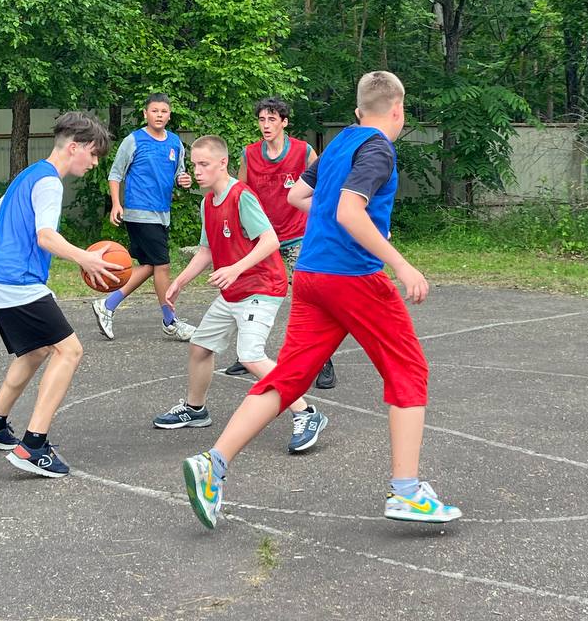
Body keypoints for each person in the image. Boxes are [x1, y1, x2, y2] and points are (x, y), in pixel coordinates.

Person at [182, 72, 462, 529]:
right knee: (408, 371)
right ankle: (407, 492)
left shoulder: (339, 143)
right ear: (398, 110)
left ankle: (212, 464)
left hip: (311, 275)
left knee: (289, 376)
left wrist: (338, 220)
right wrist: (401, 264)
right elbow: (350, 211)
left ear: (358, 111)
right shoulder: (378, 148)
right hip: (352, 277)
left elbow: (297, 196)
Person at [0, 112, 122, 478]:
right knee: (70, 351)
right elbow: (46, 236)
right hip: (16, 280)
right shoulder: (50, 183)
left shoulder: (29, 173)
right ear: (75, 147)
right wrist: (86, 258)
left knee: (36, 350)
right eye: (94, 154)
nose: (94, 163)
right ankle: (34, 446)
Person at [151, 135, 328, 453]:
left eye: (204, 164)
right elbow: (206, 251)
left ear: (222, 163)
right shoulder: (207, 202)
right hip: (234, 290)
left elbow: (270, 240)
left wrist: (235, 268)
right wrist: (180, 282)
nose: (197, 171)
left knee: (250, 356)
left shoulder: (241, 196)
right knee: (200, 347)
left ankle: (306, 412)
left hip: (262, 287)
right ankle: (195, 409)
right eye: (194, 164)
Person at [223, 97, 337, 390]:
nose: (266, 125)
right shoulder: (250, 154)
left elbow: (324, 187)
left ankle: (323, 361)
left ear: (284, 122)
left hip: (297, 235)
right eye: (262, 119)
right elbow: (240, 194)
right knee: (252, 294)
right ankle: (249, 355)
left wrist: (327, 223)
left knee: (308, 298)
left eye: (272, 119)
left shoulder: (303, 151)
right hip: (263, 239)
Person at [90, 93, 195, 342]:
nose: (159, 115)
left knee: (150, 266)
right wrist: (116, 204)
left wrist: (184, 180)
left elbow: (179, 175)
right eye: (154, 111)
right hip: (139, 213)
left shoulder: (175, 143)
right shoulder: (134, 140)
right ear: (145, 114)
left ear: (169, 115)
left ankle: (107, 304)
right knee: (163, 265)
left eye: (164, 111)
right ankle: (170, 321)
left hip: (162, 214)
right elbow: (115, 174)